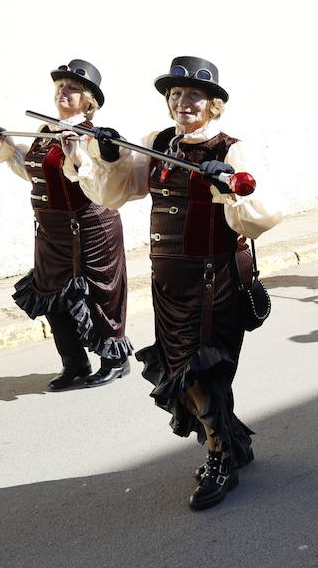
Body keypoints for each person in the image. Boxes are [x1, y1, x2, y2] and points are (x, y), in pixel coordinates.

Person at [76, 57, 283, 511]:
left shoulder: (233, 147)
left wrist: (228, 185)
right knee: (181, 367)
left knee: (202, 369)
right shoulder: (156, 142)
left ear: (213, 105)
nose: (182, 103)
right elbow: (116, 192)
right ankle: (234, 446)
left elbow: (260, 217)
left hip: (214, 280)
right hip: (167, 279)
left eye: (192, 96)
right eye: (175, 95)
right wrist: (109, 155)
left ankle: (219, 459)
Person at [0, 60, 131, 391]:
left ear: (89, 101)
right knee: (50, 294)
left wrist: (80, 151)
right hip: (50, 230)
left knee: (99, 294)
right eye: (59, 87)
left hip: (89, 226)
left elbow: (107, 174)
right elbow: (34, 173)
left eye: (72, 88)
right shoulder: (43, 131)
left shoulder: (95, 137)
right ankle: (74, 363)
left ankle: (115, 360)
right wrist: (9, 144)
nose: (62, 92)